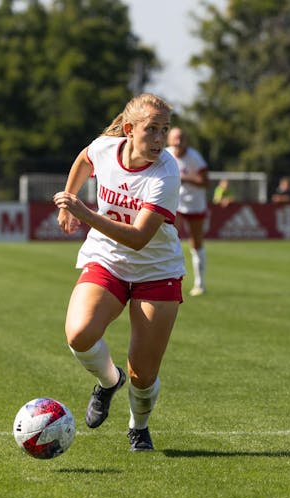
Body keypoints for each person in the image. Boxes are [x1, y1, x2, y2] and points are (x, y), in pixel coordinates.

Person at [53, 93, 185, 452]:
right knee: (79, 334)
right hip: (108, 259)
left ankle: (138, 427)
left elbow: (140, 238)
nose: (159, 140)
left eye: (164, 130)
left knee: (143, 375)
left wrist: (85, 214)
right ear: (129, 130)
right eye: (151, 130)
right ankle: (109, 381)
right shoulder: (104, 148)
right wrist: (69, 198)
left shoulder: (166, 173)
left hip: (156, 270)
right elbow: (84, 159)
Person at [166, 127, 210, 296]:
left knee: (196, 243)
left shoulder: (195, 158)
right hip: (173, 204)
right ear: (169, 140)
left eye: (181, 138)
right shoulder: (165, 155)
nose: (178, 142)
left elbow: (205, 182)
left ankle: (200, 283)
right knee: (169, 239)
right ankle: (169, 279)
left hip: (194, 205)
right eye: (175, 138)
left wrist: (185, 179)